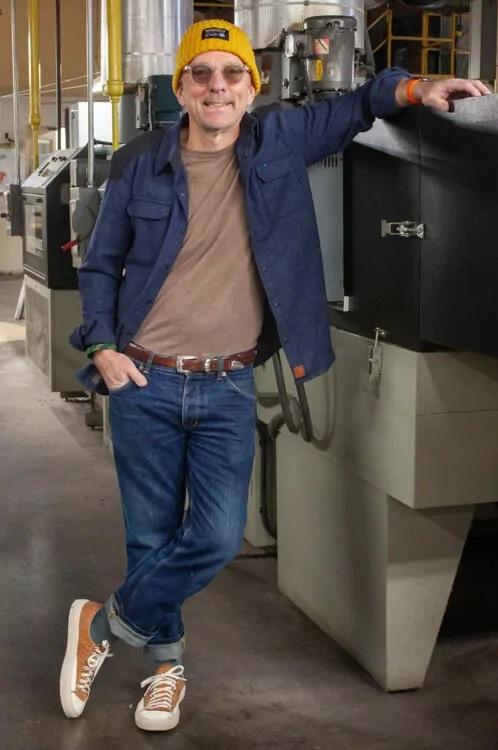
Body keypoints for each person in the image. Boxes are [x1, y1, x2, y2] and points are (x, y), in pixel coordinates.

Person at [60, 18, 488, 733]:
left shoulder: (281, 140)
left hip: (227, 384)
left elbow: (357, 104)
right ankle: (167, 670)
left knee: (219, 538)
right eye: (202, 74)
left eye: (232, 75)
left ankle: (100, 630)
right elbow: (100, 263)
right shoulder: (141, 160)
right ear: (182, 88)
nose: (217, 87)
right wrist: (103, 347)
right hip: (146, 381)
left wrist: (416, 86)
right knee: (151, 537)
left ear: (252, 88)